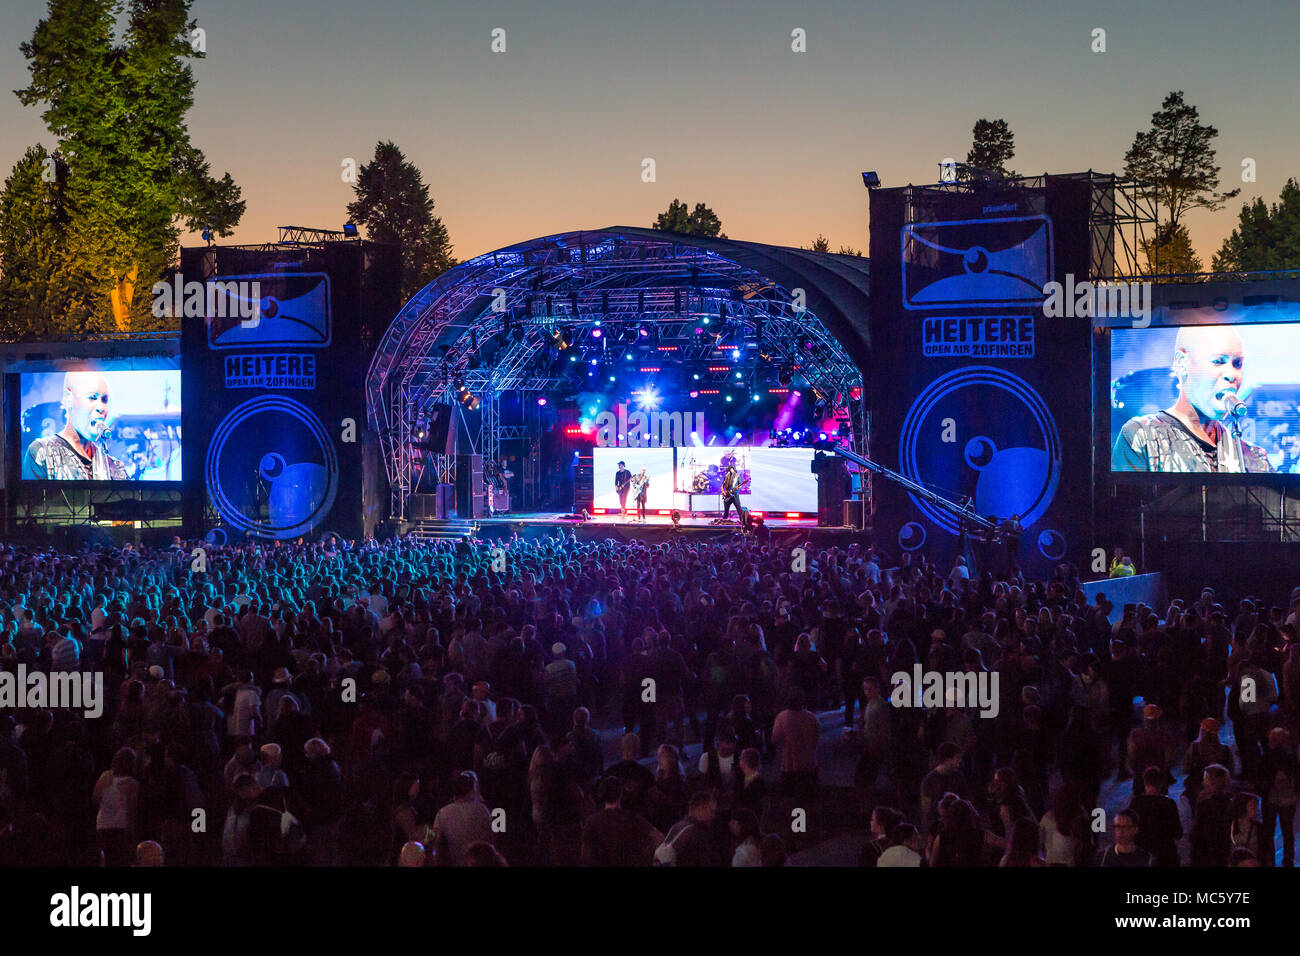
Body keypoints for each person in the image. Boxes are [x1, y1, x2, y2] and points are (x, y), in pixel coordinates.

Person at [1112, 325, 1272, 473]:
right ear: (1182, 363)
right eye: (1218, 361)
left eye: (1237, 364)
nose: (1231, 375)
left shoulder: (1253, 458)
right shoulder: (1141, 436)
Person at [22, 369, 130, 480]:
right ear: (68, 398)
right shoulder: (41, 452)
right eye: (92, 397)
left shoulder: (115, 468)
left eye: (104, 399)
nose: (101, 407)